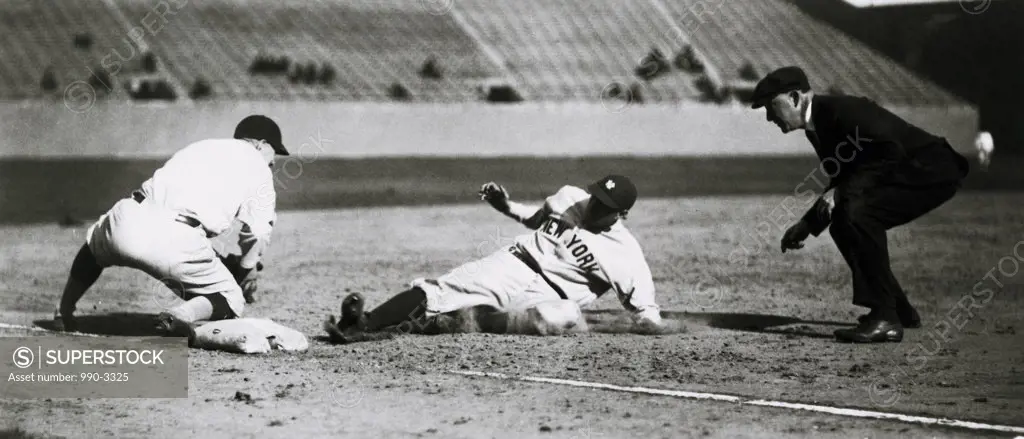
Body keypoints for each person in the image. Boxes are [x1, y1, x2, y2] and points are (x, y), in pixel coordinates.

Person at [751, 66, 969, 343]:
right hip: (910, 170)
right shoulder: (817, 124)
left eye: (770, 107)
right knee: (843, 222)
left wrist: (841, 192)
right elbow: (844, 177)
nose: (769, 117)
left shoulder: (842, 111)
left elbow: (890, 152)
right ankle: (898, 310)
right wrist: (807, 224)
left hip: (931, 169)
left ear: (794, 97)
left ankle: (886, 318)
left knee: (856, 214)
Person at [324, 175, 664, 342]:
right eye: (596, 197)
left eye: (605, 206)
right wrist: (505, 207)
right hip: (514, 263)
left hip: (548, 297)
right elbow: (537, 220)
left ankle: (475, 319)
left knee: (566, 316)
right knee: (443, 289)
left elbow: (648, 313)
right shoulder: (571, 198)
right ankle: (363, 323)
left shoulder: (626, 255)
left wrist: (645, 324)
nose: (595, 205)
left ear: (622, 213)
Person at [53, 115, 290, 335]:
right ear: (260, 144)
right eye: (274, 152)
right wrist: (246, 270)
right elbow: (257, 234)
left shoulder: (201, 146)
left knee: (93, 244)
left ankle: (63, 311)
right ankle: (178, 316)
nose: (273, 162)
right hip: (177, 241)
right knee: (232, 298)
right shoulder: (258, 167)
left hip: (129, 216)